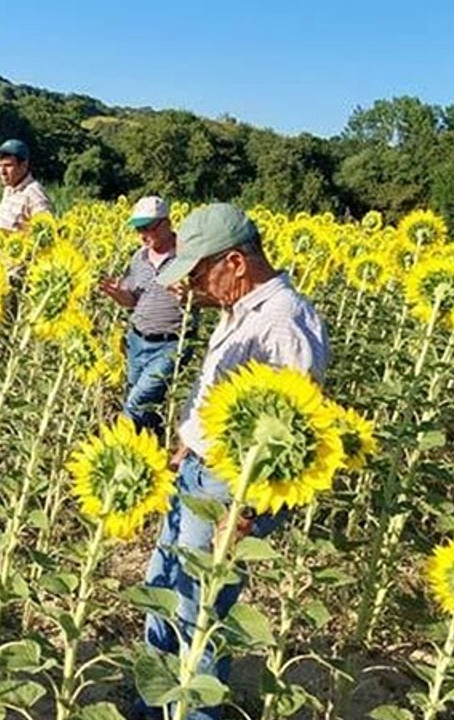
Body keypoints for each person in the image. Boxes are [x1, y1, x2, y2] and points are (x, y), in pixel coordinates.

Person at [135, 203, 330, 720]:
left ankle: (193, 713)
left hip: (231, 489)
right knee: (164, 589)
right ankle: (154, 705)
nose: (193, 287)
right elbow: (221, 396)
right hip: (197, 471)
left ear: (236, 263)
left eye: (199, 273)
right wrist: (185, 443)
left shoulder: (284, 322)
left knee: (200, 613)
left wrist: (246, 513)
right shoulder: (239, 309)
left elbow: (294, 430)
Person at [99, 196, 191, 438]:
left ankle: (119, 445)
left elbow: (211, 295)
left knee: (137, 400)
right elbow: (133, 299)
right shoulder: (138, 258)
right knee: (146, 408)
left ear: (165, 223)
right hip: (137, 341)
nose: (142, 235)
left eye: (146, 227)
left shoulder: (188, 256)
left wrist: (192, 295)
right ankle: (154, 449)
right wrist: (118, 295)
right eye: (138, 229)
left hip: (172, 344)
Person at [0, 139, 53, 232]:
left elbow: (46, 231)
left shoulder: (34, 194)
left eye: (8, 165)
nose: (2, 171)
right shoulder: (8, 190)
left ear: (23, 165)